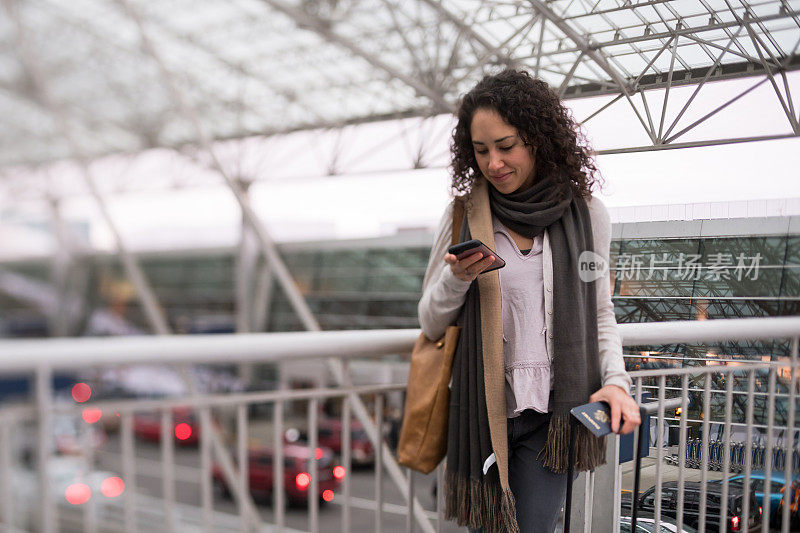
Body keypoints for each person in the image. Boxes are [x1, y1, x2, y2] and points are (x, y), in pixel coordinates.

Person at [417, 69, 641, 533]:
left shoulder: (587, 215)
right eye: (481, 151)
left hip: (551, 418)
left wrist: (617, 381)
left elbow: (600, 311)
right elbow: (431, 321)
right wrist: (456, 278)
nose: (493, 163)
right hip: (483, 414)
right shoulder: (463, 214)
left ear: (538, 139)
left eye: (506, 145)